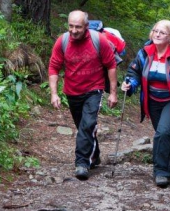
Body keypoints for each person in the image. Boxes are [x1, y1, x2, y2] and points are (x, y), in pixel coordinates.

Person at [121, 20, 170, 188]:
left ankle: (160, 171)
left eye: (162, 32)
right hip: (152, 101)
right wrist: (130, 83)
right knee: (166, 132)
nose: (157, 34)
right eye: (155, 31)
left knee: (162, 133)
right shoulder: (145, 53)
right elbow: (134, 72)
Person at [48, 10, 118, 181]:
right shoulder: (62, 41)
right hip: (72, 91)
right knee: (83, 127)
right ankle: (95, 156)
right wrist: (54, 94)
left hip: (94, 90)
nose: (73, 30)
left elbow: (111, 65)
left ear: (86, 26)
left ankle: (81, 163)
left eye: (78, 27)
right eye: (70, 26)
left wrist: (113, 94)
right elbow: (53, 67)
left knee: (87, 125)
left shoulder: (98, 40)